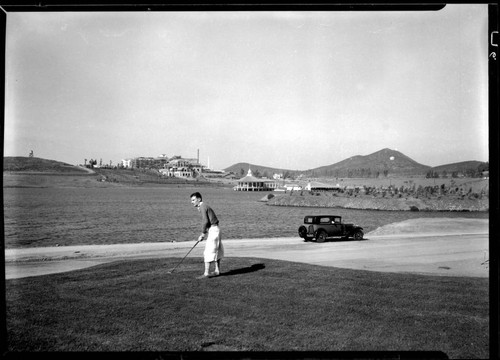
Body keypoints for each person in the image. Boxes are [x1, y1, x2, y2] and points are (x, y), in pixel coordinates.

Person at [190, 192, 224, 278]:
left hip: (214, 230)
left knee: (208, 251)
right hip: (216, 229)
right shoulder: (204, 206)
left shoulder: (202, 206)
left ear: (199, 199)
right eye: (191, 200)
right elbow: (207, 221)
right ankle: (217, 271)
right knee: (217, 250)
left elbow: (205, 221)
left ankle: (206, 273)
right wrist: (205, 232)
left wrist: (202, 233)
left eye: (193, 200)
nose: (192, 202)